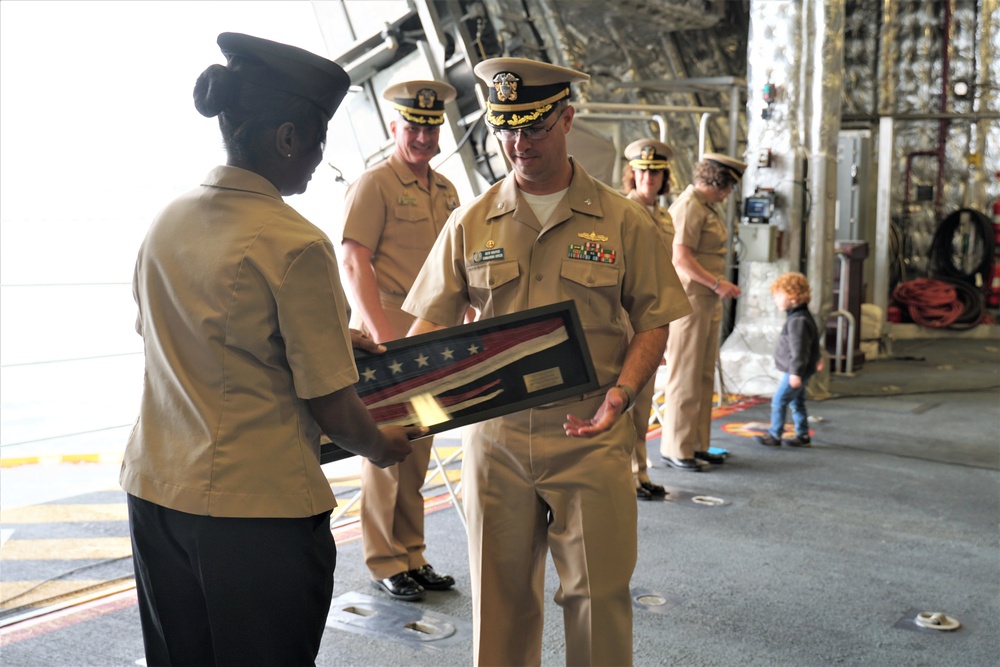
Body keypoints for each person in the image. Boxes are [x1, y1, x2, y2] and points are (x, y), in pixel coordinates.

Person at [120, 33, 419, 667]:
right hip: (253, 520)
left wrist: (330, 338)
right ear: (286, 138)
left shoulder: (167, 220)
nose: (317, 160)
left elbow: (183, 335)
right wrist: (381, 447)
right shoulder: (296, 243)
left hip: (156, 497)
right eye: (316, 142)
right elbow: (332, 404)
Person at [402, 57, 691, 666]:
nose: (516, 144)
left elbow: (655, 320)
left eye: (532, 128)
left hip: (591, 432)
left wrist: (625, 394)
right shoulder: (471, 221)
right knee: (499, 598)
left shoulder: (623, 220)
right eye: (504, 129)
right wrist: (404, 404)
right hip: (495, 437)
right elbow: (431, 326)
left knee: (597, 596)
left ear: (566, 118)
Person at [340, 79, 460, 602]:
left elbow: (455, 262)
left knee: (419, 449)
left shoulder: (448, 190)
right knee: (386, 453)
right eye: (413, 126)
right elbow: (352, 260)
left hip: (433, 332)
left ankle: (412, 553)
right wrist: (382, 336)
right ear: (395, 127)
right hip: (388, 330)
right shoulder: (375, 183)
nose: (423, 137)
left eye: (431, 128)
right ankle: (384, 560)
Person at [660, 152, 747, 472]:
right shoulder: (688, 207)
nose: (727, 195)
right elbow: (680, 258)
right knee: (685, 375)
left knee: (702, 375)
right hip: (691, 300)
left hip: (706, 300)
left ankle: (696, 444)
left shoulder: (705, 207)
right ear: (717, 182)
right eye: (727, 188)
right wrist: (716, 284)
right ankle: (676, 447)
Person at [623, 138, 676, 499]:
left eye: (655, 171)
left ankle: (641, 471)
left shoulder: (664, 216)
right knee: (626, 399)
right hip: (626, 317)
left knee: (645, 402)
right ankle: (627, 475)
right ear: (632, 174)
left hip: (653, 315)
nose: (649, 177)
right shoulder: (622, 211)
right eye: (643, 170)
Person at [754, 272, 824, 448]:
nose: (775, 300)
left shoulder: (797, 321)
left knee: (779, 401)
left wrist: (795, 373)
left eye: (778, 296)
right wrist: (817, 357)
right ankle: (802, 434)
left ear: (793, 298)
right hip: (802, 369)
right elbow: (812, 341)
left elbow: (799, 350)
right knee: (797, 401)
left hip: (796, 371)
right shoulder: (802, 316)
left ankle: (775, 435)